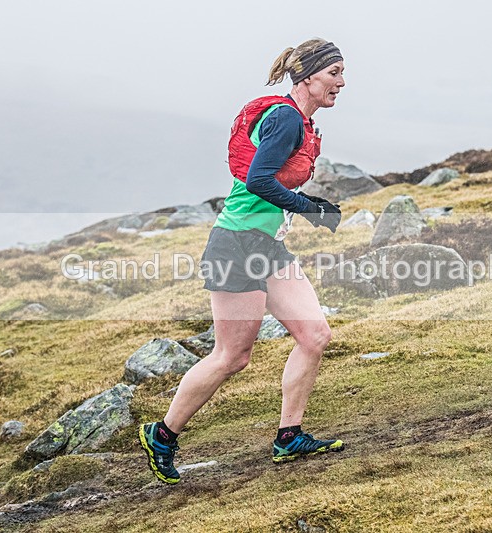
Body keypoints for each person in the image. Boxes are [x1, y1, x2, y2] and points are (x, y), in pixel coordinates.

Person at [139, 38, 346, 484]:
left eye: (342, 74)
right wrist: (310, 207)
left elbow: (268, 183)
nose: (341, 83)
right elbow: (257, 181)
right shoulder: (287, 119)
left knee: (314, 334)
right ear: (308, 75)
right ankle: (162, 434)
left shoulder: (298, 120)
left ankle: (289, 436)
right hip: (236, 245)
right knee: (232, 356)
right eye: (334, 73)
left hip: (265, 246)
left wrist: (304, 208)